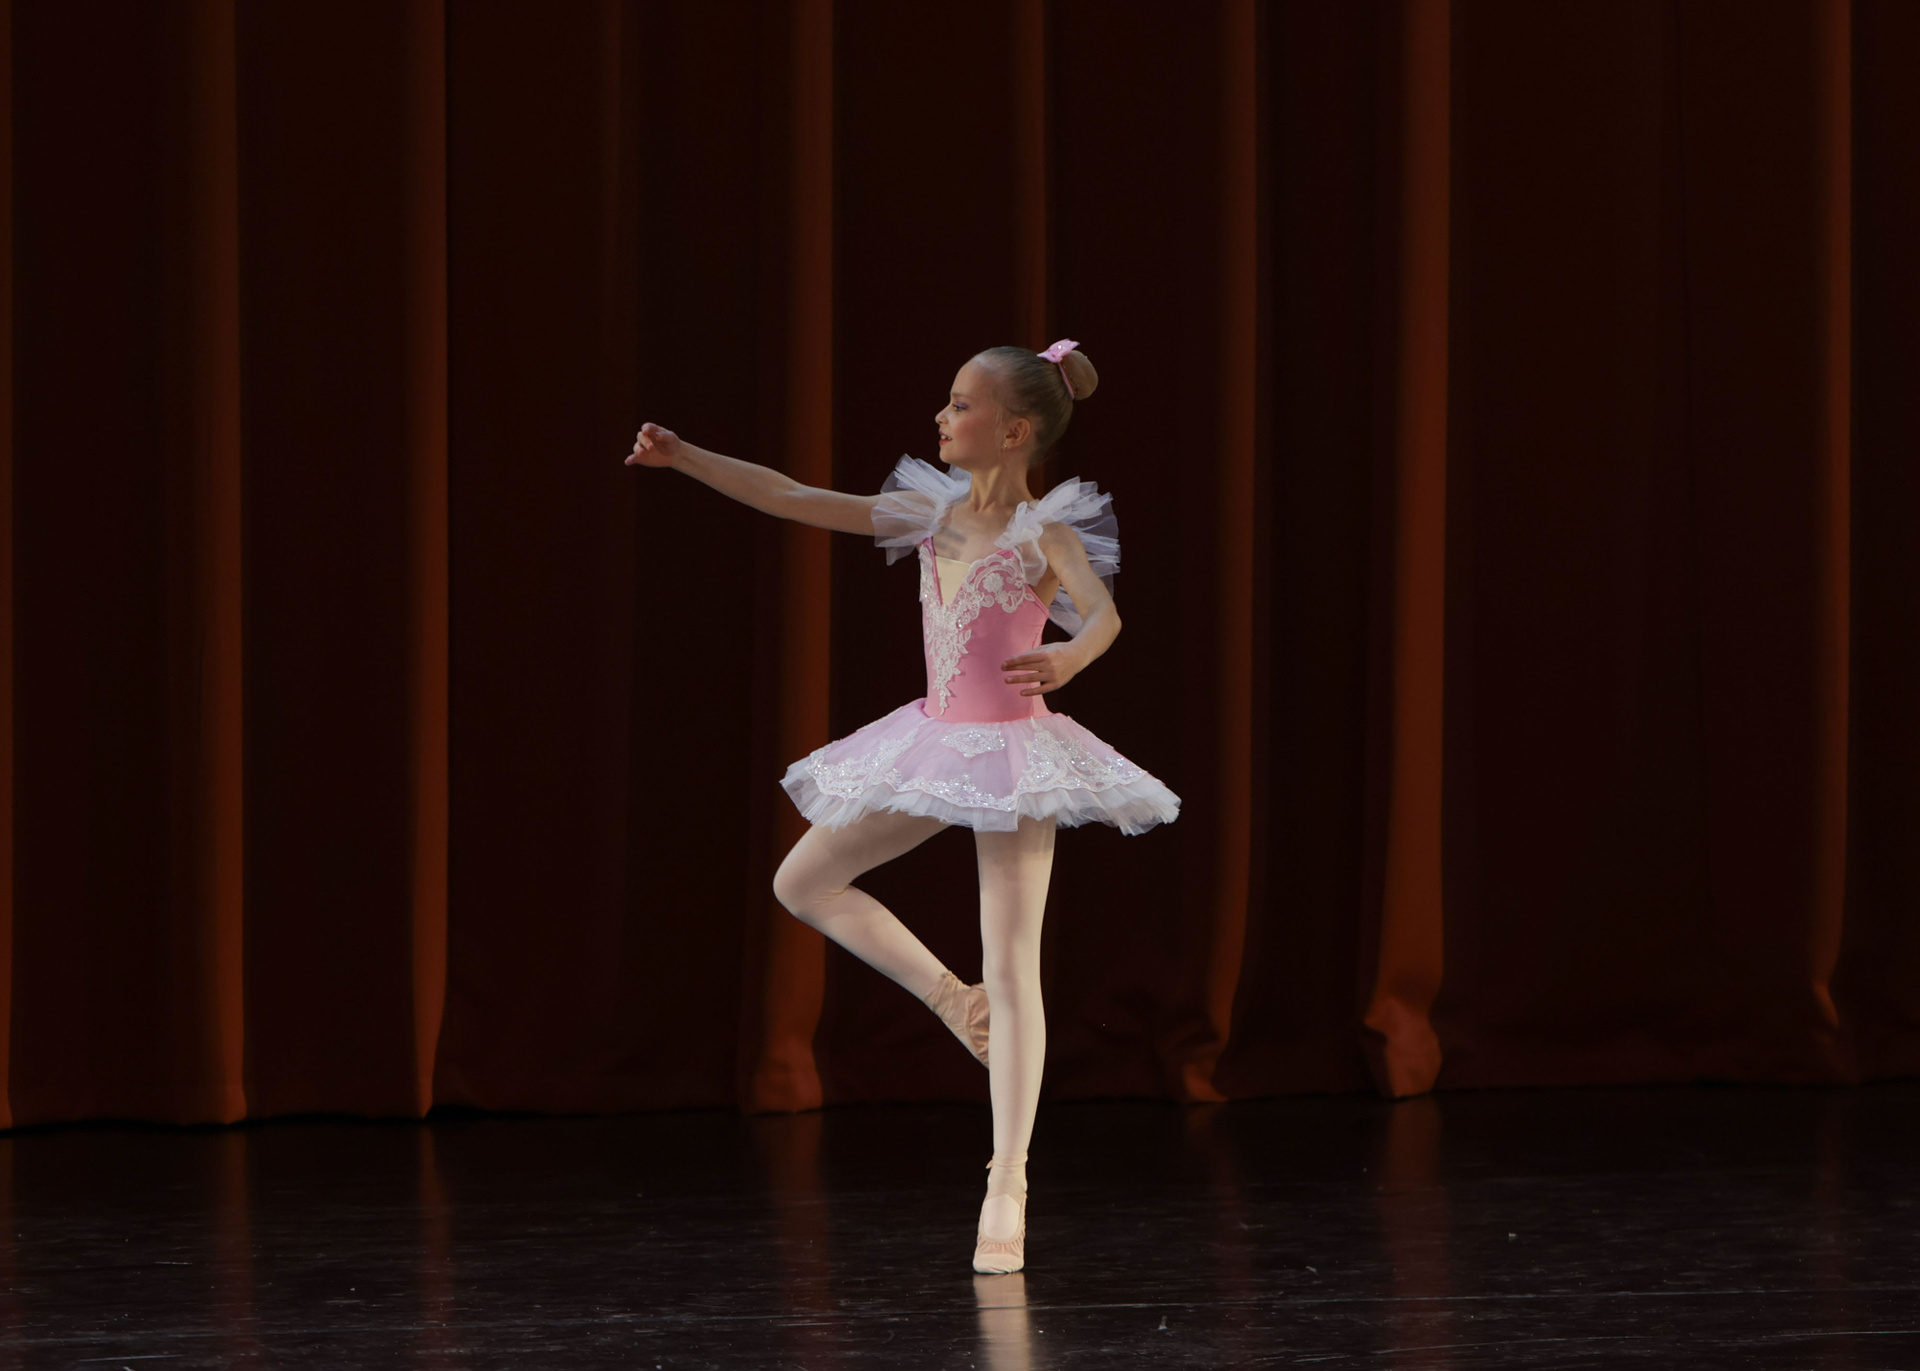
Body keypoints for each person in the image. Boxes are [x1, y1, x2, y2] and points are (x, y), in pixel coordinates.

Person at [625, 339, 1180, 1273]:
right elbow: (793, 495)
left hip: (1014, 752)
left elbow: (1104, 612)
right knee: (803, 880)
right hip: (935, 738)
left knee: (1014, 962)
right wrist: (687, 458)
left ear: (1013, 430)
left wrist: (1073, 655)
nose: (940, 417)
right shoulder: (930, 511)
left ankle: (1008, 1181)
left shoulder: (1045, 533)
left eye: (960, 404)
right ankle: (953, 1000)